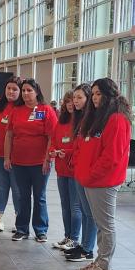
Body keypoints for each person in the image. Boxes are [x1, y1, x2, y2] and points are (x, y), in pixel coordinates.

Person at [70, 78, 131, 270]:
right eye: (93, 93)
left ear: (109, 95)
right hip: (91, 180)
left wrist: (91, 174)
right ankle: (100, 260)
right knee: (100, 223)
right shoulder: (100, 117)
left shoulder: (117, 119)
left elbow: (112, 156)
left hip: (103, 181)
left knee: (106, 225)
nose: (95, 98)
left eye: (98, 94)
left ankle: (104, 266)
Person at [5, 78, 57, 242]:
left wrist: (47, 159)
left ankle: (40, 230)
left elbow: (51, 137)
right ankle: (21, 229)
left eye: (29, 90)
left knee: (39, 196)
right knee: (22, 196)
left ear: (37, 92)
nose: (26, 93)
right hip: (19, 162)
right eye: (24, 90)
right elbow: (9, 135)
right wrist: (7, 157)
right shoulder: (16, 110)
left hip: (39, 162)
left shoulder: (46, 110)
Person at [62, 84, 97, 263]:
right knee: (84, 211)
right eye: (74, 98)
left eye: (79, 98)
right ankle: (84, 246)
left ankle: (88, 249)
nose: (75, 101)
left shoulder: (92, 119)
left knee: (89, 212)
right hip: (78, 169)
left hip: (87, 172)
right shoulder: (80, 118)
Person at [49, 90, 82, 252]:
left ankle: (75, 239)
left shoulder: (81, 123)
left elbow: (79, 147)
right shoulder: (61, 123)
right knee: (65, 205)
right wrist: (54, 151)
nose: (71, 103)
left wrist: (65, 152)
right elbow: (54, 141)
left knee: (75, 206)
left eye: (74, 100)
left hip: (75, 170)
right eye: (68, 101)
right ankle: (67, 236)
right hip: (61, 169)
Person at [0, 77, 21, 232]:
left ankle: (18, 219)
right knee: (2, 186)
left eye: (15, 89)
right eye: (9, 88)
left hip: (17, 156)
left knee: (17, 187)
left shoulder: (23, 107)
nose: (11, 91)